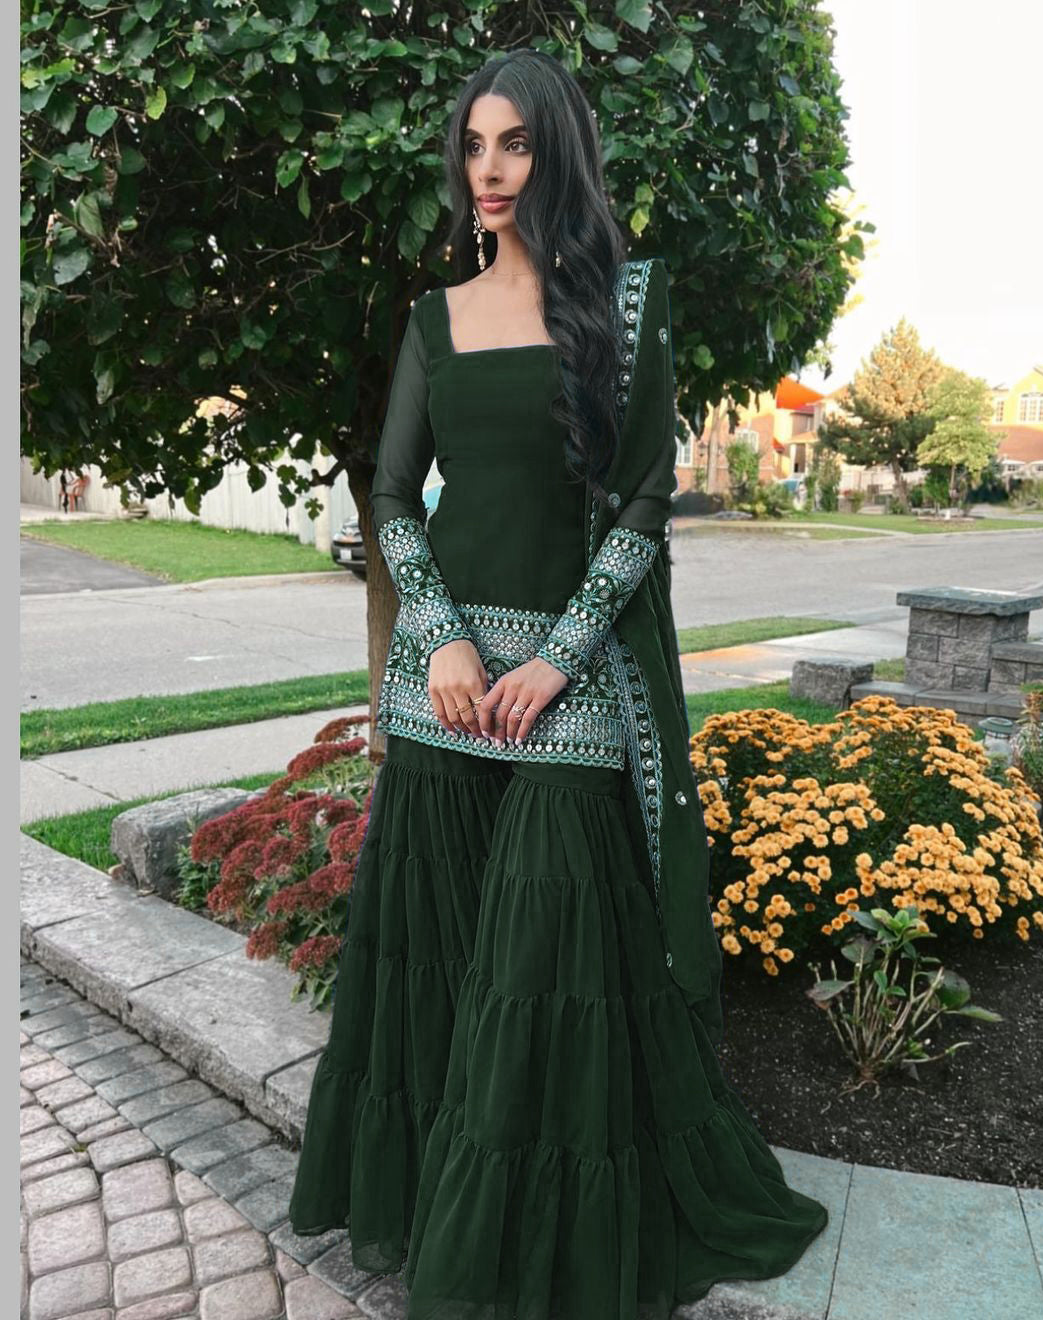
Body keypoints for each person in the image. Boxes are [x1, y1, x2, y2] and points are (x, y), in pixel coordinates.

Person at [288, 47, 828, 1320]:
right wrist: (449, 637)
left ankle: (530, 1242)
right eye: (473, 146)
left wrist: (553, 655)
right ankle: (441, 1212)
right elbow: (389, 495)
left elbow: (643, 502)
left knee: (539, 971)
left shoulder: (626, 308)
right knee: (444, 970)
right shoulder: (436, 320)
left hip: (566, 691)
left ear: (558, 154)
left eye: (514, 144)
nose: (488, 170)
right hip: (450, 690)